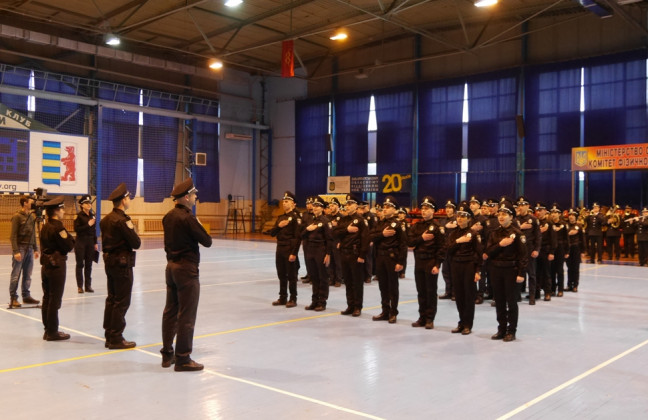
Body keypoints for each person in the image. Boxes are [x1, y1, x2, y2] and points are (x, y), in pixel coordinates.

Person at [161, 178, 213, 371]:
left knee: (170, 311)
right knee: (186, 314)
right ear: (185, 197)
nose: (195, 196)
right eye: (193, 194)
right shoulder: (188, 218)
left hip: (171, 267)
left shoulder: (168, 216)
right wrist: (198, 224)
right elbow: (207, 241)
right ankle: (183, 358)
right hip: (186, 270)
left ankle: (167, 354)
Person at [100, 183, 141, 349]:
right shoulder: (123, 221)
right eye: (128, 197)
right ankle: (116, 337)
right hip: (122, 264)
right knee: (122, 301)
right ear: (123, 200)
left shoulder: (105, 220)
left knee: (111, 298)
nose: (129, 200)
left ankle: (109, 334)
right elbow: (136, 243)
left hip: (109, 262)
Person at [485, 199, 527, 342]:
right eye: (500, 214)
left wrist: (521, 273)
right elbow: (488, 251)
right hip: (496, 270)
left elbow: (523, 256)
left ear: (511, 216)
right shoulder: (494, 233)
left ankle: (511, 330)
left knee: (511, 302)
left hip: (511, 270)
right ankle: (501, 329)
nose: (501, 217)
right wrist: (500, 245)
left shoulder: (518, 234)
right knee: (500, 301)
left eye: (505, 214)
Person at [39, 196, 75, 340]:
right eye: (62, 209)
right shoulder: (58, 227)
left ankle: (47, 330)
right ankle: (53, 332)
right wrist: (70, 240)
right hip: (57, 265)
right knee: (55, 299)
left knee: (47, 297)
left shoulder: (45, 226)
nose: (63, 211)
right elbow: (69, 245)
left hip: (46, 265)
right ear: (56, 210)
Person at [407, 196, 446, 329]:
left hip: (431, 261)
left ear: (433, 211)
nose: (424, 211)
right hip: (419, 260)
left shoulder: (437, 227)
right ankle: (422, 317)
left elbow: (442, 248)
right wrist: (421, 238)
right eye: (422, 208)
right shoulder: (417, 226)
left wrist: (437, 264)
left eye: (427, 208)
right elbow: (410, 242)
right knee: (421, 291)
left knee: (430, 291)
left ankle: (430, 318)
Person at [370, 196, 408, 324]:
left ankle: (393, 312)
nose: (385, 209)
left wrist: (400, 262)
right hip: (380, 257)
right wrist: (382, 234)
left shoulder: (398, 225)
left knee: (393, 286)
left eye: (388, 207)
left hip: (392, 258)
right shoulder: (379, 223)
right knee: (383, 286)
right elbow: (371, 236)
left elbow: (403, 245)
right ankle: (385, 311)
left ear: (394, 209)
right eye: (384, 206)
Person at [446, 201, 482, 335]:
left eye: (463, 216)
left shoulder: (474, 234)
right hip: (456, 266)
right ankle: (461, 322)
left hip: (469, 266)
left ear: (469, 218)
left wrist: (477, 271)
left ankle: (468, 324)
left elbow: (479, 254)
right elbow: (448, 250)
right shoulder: (453, 234)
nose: (460, 218)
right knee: (459, 295)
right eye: (458, 216)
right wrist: (458, 241)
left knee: (468, 296)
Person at [334, 193, 369, 317]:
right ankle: (350, 305)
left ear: (356, 206)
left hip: (355, 254)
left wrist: (362, 255)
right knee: (348, 281)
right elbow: (335, 233)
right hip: (344, 253)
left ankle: (357, 306)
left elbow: (365, 239)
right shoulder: (343, 220)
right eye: (346, 204)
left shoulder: (361, 220)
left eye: (350, 204)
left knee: (357, 282)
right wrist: (346, 230)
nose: (347, 206)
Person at [270, 191, 302, 307]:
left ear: (293, 204)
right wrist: (279, 226)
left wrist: (294, 253)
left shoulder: (296, 218)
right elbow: (272, 233)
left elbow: (298, 238)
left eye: (287, 201)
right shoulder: (281, 218)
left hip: (289, 249)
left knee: (292, 276)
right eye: (283, 201)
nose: (284, 203)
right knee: (281, 274)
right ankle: (282, 297)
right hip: (280, 248)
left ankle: (293, 298)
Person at [9, 195, 41, 308]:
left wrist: (36, 249)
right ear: (25, 203)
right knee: (16, 274)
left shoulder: (31, 217)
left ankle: (26, 296)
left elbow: (33, 234)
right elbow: (13, 236)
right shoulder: (17, 216)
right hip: (20, 248)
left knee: (28, 274)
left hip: (30, 249)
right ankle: (13, 298)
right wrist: (16, 251)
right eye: (31, 201)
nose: (33, 203)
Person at [514, 196, 541, 305]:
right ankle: (517, 295)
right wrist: (521, 227)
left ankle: (532, 297)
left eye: (523, 205)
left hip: (529, 249)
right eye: (519, 205)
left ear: (528, 206)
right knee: (518, 272)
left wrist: (537, 249)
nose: (520, 207)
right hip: (518, 250)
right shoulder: (515, 219)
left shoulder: (533, 219)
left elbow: (538, 236)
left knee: (531, 274)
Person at [73, 195, 98, 293]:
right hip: (81, 242)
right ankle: (80, 286)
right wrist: (88, 225)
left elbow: (94, 230)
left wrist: (95, 242)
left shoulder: (92, 215)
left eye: (90, 203)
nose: (89, 205)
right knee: (80, 264)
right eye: (86, 203)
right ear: (82, 205)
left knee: (89, 264)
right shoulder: (78, 216)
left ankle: (88, 286)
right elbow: (76, 229)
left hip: (90, 242)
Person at [535, 202, 556, 302]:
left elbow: (553, 239)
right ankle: (536, 292)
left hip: (545, 250)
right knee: (536, 272)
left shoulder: (549, 223)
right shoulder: (535, 222)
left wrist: (552, 252)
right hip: (536, 250)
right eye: (537, 210)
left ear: (545, 211)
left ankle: (548, 292)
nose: (538, 212)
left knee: (547, 272)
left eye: (540, 210)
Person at [439, 200, 457, 300]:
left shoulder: (457, 219)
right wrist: (446, 227)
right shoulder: (442, 221)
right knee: (445, 271)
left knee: (453, 271)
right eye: (447, 207)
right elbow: (440, 232)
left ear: (454, 209)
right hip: (445, 248)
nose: (448, 209)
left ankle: (455, 292)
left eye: (450, 208)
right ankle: (448, 291)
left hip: (454, 249)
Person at [565, 209, 585, 292]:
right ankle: (569, 285)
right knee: (569, 267)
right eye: (570, 215)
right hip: (568, 249)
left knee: (576, 268)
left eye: (573, 215)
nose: (571, 217)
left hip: (576, 249)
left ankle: (575, 285)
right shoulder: (566, 225)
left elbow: (582, 239)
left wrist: (583, 251)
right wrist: (569, 233)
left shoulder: (579, 226)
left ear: (575, 216)